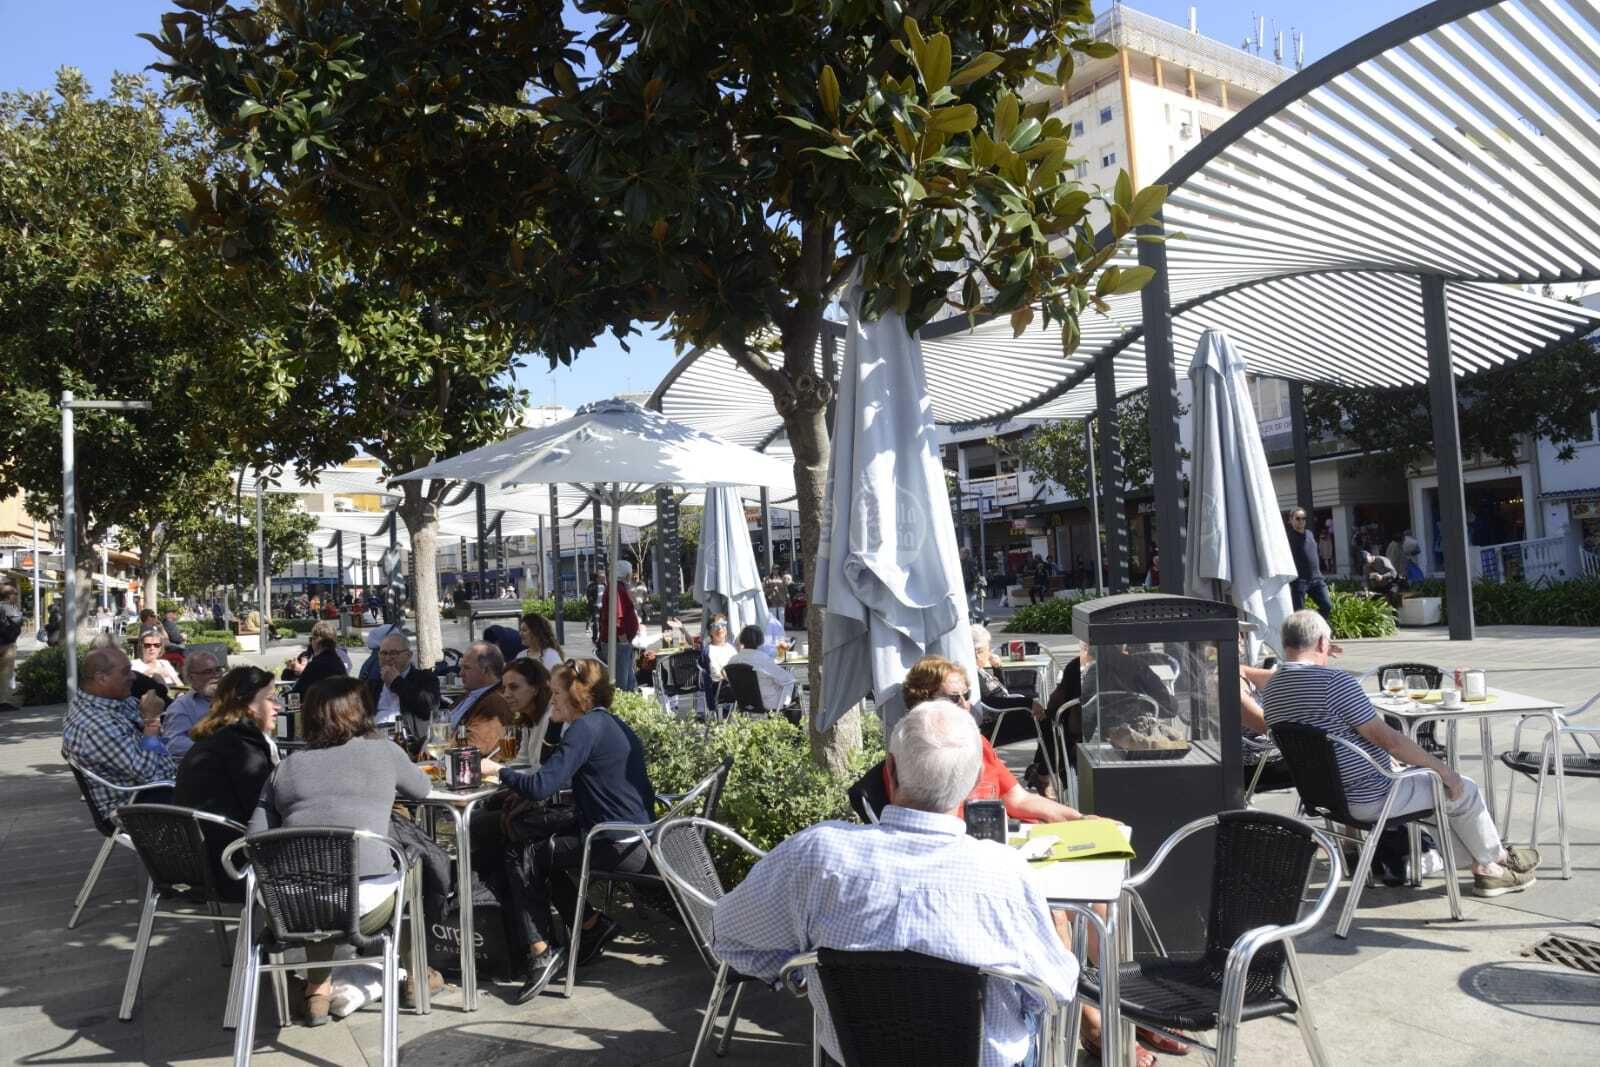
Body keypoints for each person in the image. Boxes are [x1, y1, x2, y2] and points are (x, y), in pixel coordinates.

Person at [712, 701, 1078, 1067]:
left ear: (889, 769)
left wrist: (803, 972)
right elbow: (1054, 992)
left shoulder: (817, 855)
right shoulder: (1005, 873)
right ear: (972, 784)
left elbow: (728, 935)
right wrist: (1059, 928)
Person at [1262, 610, 1538, 897]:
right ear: (1322, 644)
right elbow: (1390, 740)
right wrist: (1444, 772)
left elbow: (1327, 736)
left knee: (1445, 802)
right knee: (1461, 789)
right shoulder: (1335, 682)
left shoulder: (1272, 689)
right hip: (1371, 796)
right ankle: (1497, 861)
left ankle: (1487, 867)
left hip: (1324, 797)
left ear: (1286, 644)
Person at [249, 677, 439, 1022]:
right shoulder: (384, 751)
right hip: (366, 908)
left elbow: (256, 836)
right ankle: (416, 976)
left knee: (317, 879)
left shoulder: (287, 767)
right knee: (412, 868)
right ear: (362, 712)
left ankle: (317, 990)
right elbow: (423, 789)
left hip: (291, 908)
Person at [480, 659, 655, 1003]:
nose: (552, 698)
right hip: (633, 831)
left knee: (521, 850)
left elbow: (541, 787)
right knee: (530, 842)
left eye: (557, 692)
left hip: (614, 841)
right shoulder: (604, 722)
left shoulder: (583, 729)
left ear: (578, 696)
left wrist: (496, 770)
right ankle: (589, 926)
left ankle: (541, 950)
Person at [899, 655, 1086, 825]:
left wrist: (1081, 819)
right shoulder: (909, 755)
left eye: (967, 696)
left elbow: (1019, 799)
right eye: (954, 698)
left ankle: (1043, 773)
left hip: (1000, 835)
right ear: (924, 700)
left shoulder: (977, 743)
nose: (966, 705)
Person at [174, 667, 281, 899]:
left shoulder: (216, 737)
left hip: (195, 863)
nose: (278, 706)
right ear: (246, 704)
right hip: (231, 869)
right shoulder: (242, 747)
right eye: (271, 698)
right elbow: (263, 810)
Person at [62, 647, 175, 821]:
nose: (133, 677)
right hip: (137, 806)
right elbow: (148, 775)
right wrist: (152, 721)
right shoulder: (94, 725)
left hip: (158, 789)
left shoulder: (112, 700)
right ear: (101, 678)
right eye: (126, 672)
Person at [367, 630, 441, 739]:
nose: (387, 658)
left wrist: (396, 682)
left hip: (407, 739)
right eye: (383, 653)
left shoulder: (425, 678)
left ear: (409, 655)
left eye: (394, 653)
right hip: (374, 739)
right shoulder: (373, 684)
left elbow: (428, 709)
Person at [448, 642, 512, 754]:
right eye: (461, 668)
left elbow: (474, 745)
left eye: (466, 668)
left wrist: (438, 743)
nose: (460, 673)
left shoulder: (495, 702)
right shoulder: (470, 693)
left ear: (486, 670)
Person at [161, 649, 225, 759]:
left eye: (218, 670)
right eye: (207, 672)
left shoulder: (233, 698)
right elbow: (174, 743)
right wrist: (215, 747)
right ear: (191, 677)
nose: (215, 676)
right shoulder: (182, 706)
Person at [726, 624, 797, 715]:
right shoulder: (762, 659)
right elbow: (787, 679)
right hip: (768, 702)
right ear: (760, 640)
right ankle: (792, 726)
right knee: (793, 686)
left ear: (742, 639)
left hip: (744, 702)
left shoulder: (733, 660)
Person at [596, 562, 640, 690]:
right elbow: (617, 618)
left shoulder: (617, 588)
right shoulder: (617, 589)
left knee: (629, 682)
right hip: (618, 643)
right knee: (622, 685)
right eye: (630, 573)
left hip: (619, 642)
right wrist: (624, 640)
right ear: (627, 574)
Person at [1285, 507, 1332, 618]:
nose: (1301, 521)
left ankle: (1314, 626)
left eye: (1303, 518)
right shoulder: (1288, 538)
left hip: (1317, 579)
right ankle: (1302, 633)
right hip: (1300, 580)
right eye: (1298, 518)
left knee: (1327, 606)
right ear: (1291, 520)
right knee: (1299, 613)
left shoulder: (1309, 534)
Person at [291, 631, 347, 697]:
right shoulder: (338, 661)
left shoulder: (316, 664)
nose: (311, 642)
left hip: (319, 705)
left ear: (317, 641)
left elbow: (296, 693)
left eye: (312, 639)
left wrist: (301, 670)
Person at [0, 583, 22, 711]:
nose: (16, 597)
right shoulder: (9, 607)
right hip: (6, 645)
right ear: (9, 596)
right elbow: (17, 622)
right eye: (15, 594)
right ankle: (4, 701)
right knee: (5, 674)